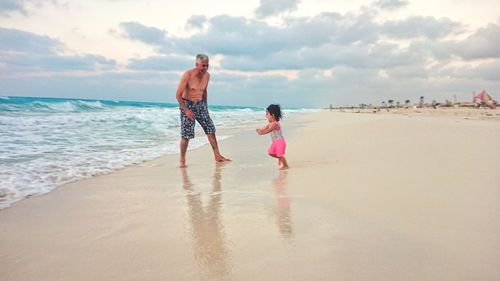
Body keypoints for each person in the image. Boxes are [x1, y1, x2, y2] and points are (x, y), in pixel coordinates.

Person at [176, 54, 230, 168]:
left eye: (207, 66)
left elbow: (204, 91)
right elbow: (178, 95)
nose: (205, 68)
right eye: (203, 66)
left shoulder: (207, 76)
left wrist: (205, 106)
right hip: (187, 104)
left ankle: (217, 156)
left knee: (210, 129)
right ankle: (182, 160)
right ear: (196, 65)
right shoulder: (188, 75)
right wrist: (186, 110)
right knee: (186, 135)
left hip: (200, 105)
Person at [256, 104, 288, 170]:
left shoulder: (275, 123)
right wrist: (260, 130)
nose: (266, 116)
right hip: (274, 142)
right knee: (270, 153)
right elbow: (264, 128)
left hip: (280, 142)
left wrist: (262, 133)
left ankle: (285, 165)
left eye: (267, 114)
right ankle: (280, 158)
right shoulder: (270, 123)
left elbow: (269, 130)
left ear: (272, 115)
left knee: (280, 155)